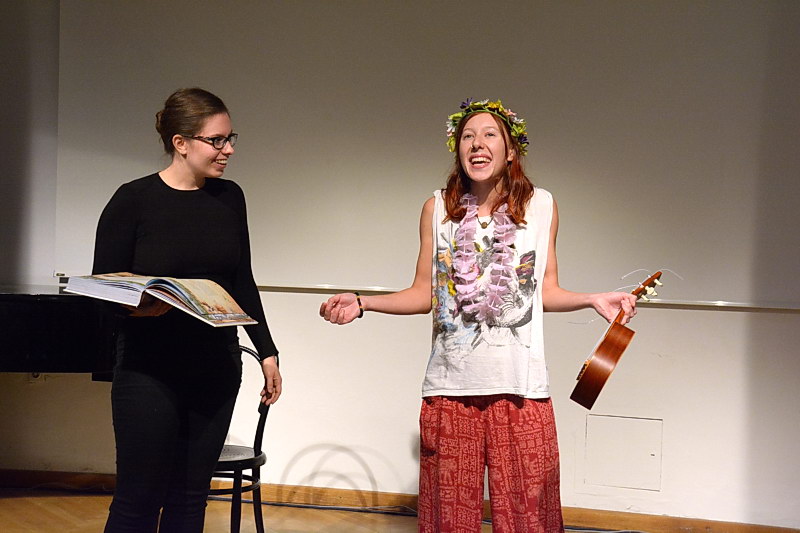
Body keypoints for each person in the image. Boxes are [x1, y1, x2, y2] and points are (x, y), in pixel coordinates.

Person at [319, 99, 636, 532]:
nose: (477, 144)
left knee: (529, 519)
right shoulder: (437, 209)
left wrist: (594, 298)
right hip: (450, 388)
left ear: (511, 150)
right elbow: (422, 294)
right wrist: (363, 302)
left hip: (521, 389)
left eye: (489, 135)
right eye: (467, 136)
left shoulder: (541, 207)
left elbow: (545, 291)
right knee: (449, 519)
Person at [92, 87, 282, 533]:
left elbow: (241, 280)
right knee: (138, 500)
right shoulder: (133, 200)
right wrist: (139, 308)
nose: (228, 149)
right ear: (180, 142)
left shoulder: (230, 197)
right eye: (216, 140)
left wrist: (268, 351)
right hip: (148, 369)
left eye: (230, 138)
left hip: (216, 365)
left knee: (190, 498)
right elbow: (104, 289)